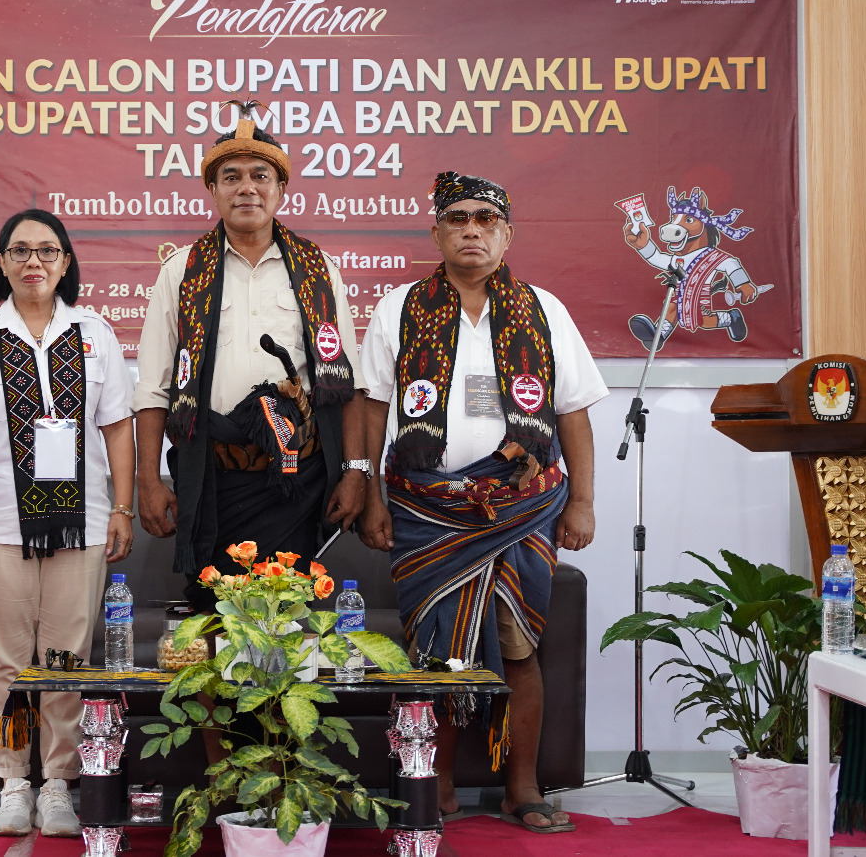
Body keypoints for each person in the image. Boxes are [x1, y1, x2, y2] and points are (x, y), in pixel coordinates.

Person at [359, 173, 607, 834]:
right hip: (424, 509)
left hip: (523, 505)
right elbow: (372, 409)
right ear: (436, 232)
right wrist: (370, 496)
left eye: (487, 219)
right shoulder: (400, 308)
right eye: (459, 218)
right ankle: (435, 788)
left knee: (520, 647)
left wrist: (581, 501)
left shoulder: (543, 309)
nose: (473, 229)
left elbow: (573, 413)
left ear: (507, 234)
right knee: (436, 647)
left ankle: (522, 787)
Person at [0, 208, 136, 839]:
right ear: (1, 263)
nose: (33, 262)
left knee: (66, 659)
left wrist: (123, 507)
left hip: (81, 523)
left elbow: (118, 429)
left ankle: (58, 785)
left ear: (65, 262)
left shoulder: (95, 334)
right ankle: (13, 783)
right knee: (7, 663)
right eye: (19, 251)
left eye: (47, 251)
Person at [132, 104, 368, 600]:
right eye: (231, 176)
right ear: (212, 190)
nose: (247, 188)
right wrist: (148, 481)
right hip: (213, 477)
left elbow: (345, 386)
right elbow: (154, 388)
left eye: (261, 175)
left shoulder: (318, 269)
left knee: (287, 621)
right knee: (215, 622)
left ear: (281, 189)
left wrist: (354, 472)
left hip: (295, 481)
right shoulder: (180, 271)